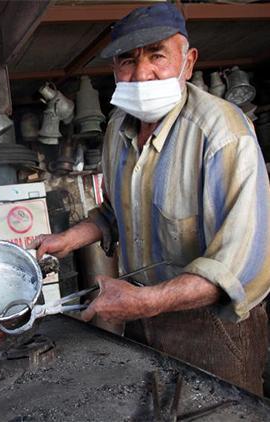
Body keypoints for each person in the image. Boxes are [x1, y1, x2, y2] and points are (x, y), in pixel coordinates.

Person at [33, 3, 270, 395]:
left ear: (188, 61)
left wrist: (144, 303)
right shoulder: (118, 129)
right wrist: (68, 240)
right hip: (145, 314)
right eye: (127, 60)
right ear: (115, 70)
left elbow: (239, 268)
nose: (142, 74)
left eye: (157, 55)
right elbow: (117, 211)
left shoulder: (224, 135)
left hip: (213, 327)